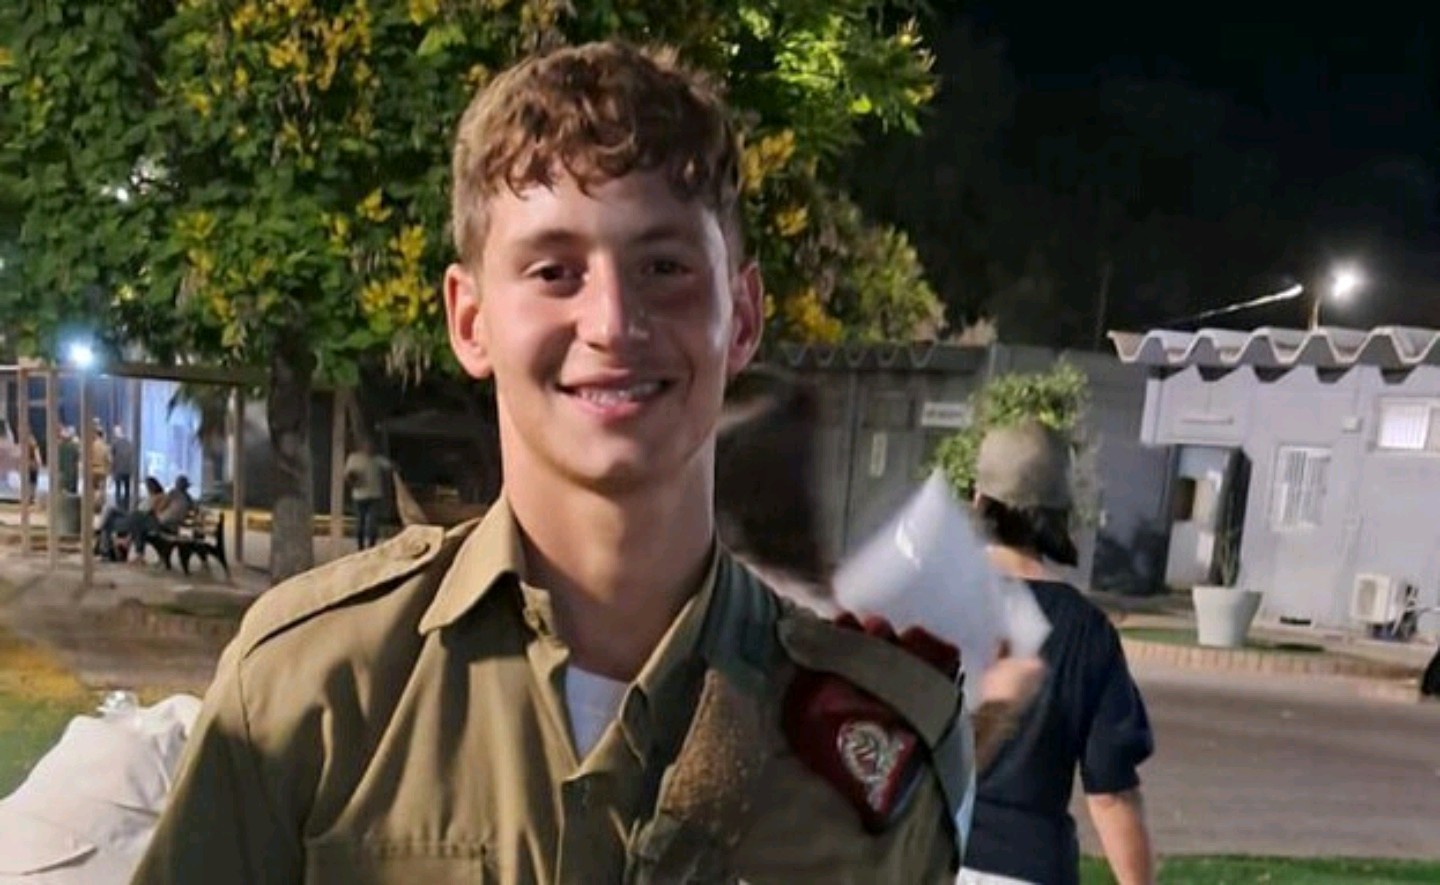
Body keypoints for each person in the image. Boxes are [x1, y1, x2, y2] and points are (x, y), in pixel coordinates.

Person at [135, 42, 1042, 884]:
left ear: (743, 316)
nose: (612, 322)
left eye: (664, 267)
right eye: (553, 271)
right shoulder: (314, 689)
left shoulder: (879, 754)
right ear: (469, 319)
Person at [959, 422, 1156, 885]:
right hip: (1032, 867)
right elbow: (1110, 793)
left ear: (979, 501)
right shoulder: (1087, 631)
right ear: (1059, 514)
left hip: (929, 858)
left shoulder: (933, 602)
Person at [342, 437, 392, 550]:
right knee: (360, 522)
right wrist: (353, 479)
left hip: (374, 496)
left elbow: (390, 467)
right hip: (359, 496)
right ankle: (360, 546)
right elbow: (347, 475)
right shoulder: (354, 458)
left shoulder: (378, 460)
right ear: (362, 447)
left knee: (372, 523)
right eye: (367, 446)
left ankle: (371, 545)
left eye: (371, 446)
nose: (369, 448)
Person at [110, 424, 135, 511]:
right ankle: (126, 507)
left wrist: (112, 470)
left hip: (118, 469)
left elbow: (112, 457)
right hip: (127, 470)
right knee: (127, 489)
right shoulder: (129, 443)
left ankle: (118, 507)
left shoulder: (115, 443)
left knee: (118, 489)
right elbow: (131, 455)